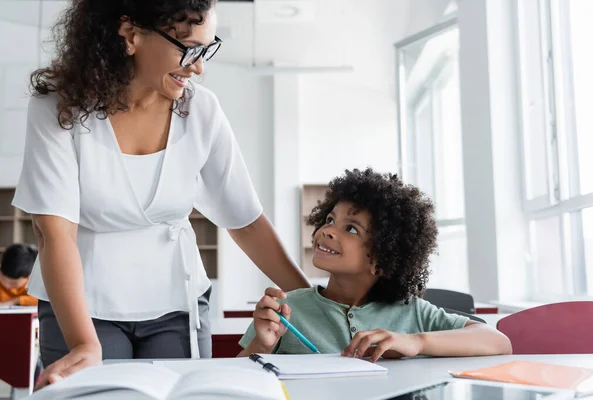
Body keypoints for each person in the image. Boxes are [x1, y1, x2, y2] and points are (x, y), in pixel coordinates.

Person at [12, 0, 310, 389]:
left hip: (177, 302)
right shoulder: (59, 106)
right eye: (188, 47)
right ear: (130, 34)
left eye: (207, 48)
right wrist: (84, 342)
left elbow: (247, 221)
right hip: (82, 305)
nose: (199, 66)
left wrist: (315, 305)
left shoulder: (201, 110)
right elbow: (54, 234)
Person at [238, 168, 512, 360]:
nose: (329, 231)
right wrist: (262, 343)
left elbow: (498, 341)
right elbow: (234, 378)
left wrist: (415, 341)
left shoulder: (413, 314)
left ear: (383, 260)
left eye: (352, 229)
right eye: (330, 220)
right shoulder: (288, 309)